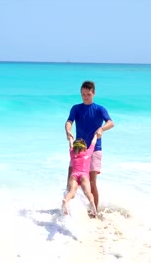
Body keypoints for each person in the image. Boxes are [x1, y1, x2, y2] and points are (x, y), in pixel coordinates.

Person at [65, 80, 114, 213]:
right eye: (83, 94)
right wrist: (68, 130)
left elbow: (110, 122)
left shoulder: (99, 109)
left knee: (91, 182)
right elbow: (69, 121)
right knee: (71, 178)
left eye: (88, 94)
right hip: (78, 149)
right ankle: (67, 209)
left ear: (93, 93)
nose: (85, 97)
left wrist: (102, 129)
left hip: (94, 149)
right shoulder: (76, 108)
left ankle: (94, 212)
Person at [62, 135, 98, 217]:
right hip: (84, 176)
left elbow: (70, 144)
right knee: (88, 192)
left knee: (72, 192)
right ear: (84, 147)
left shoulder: (72, 154)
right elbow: (93, 143)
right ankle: (92, 202)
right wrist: (95, 136)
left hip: (74, 175)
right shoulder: (88, 153)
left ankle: (66, 201)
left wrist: (70, 138)